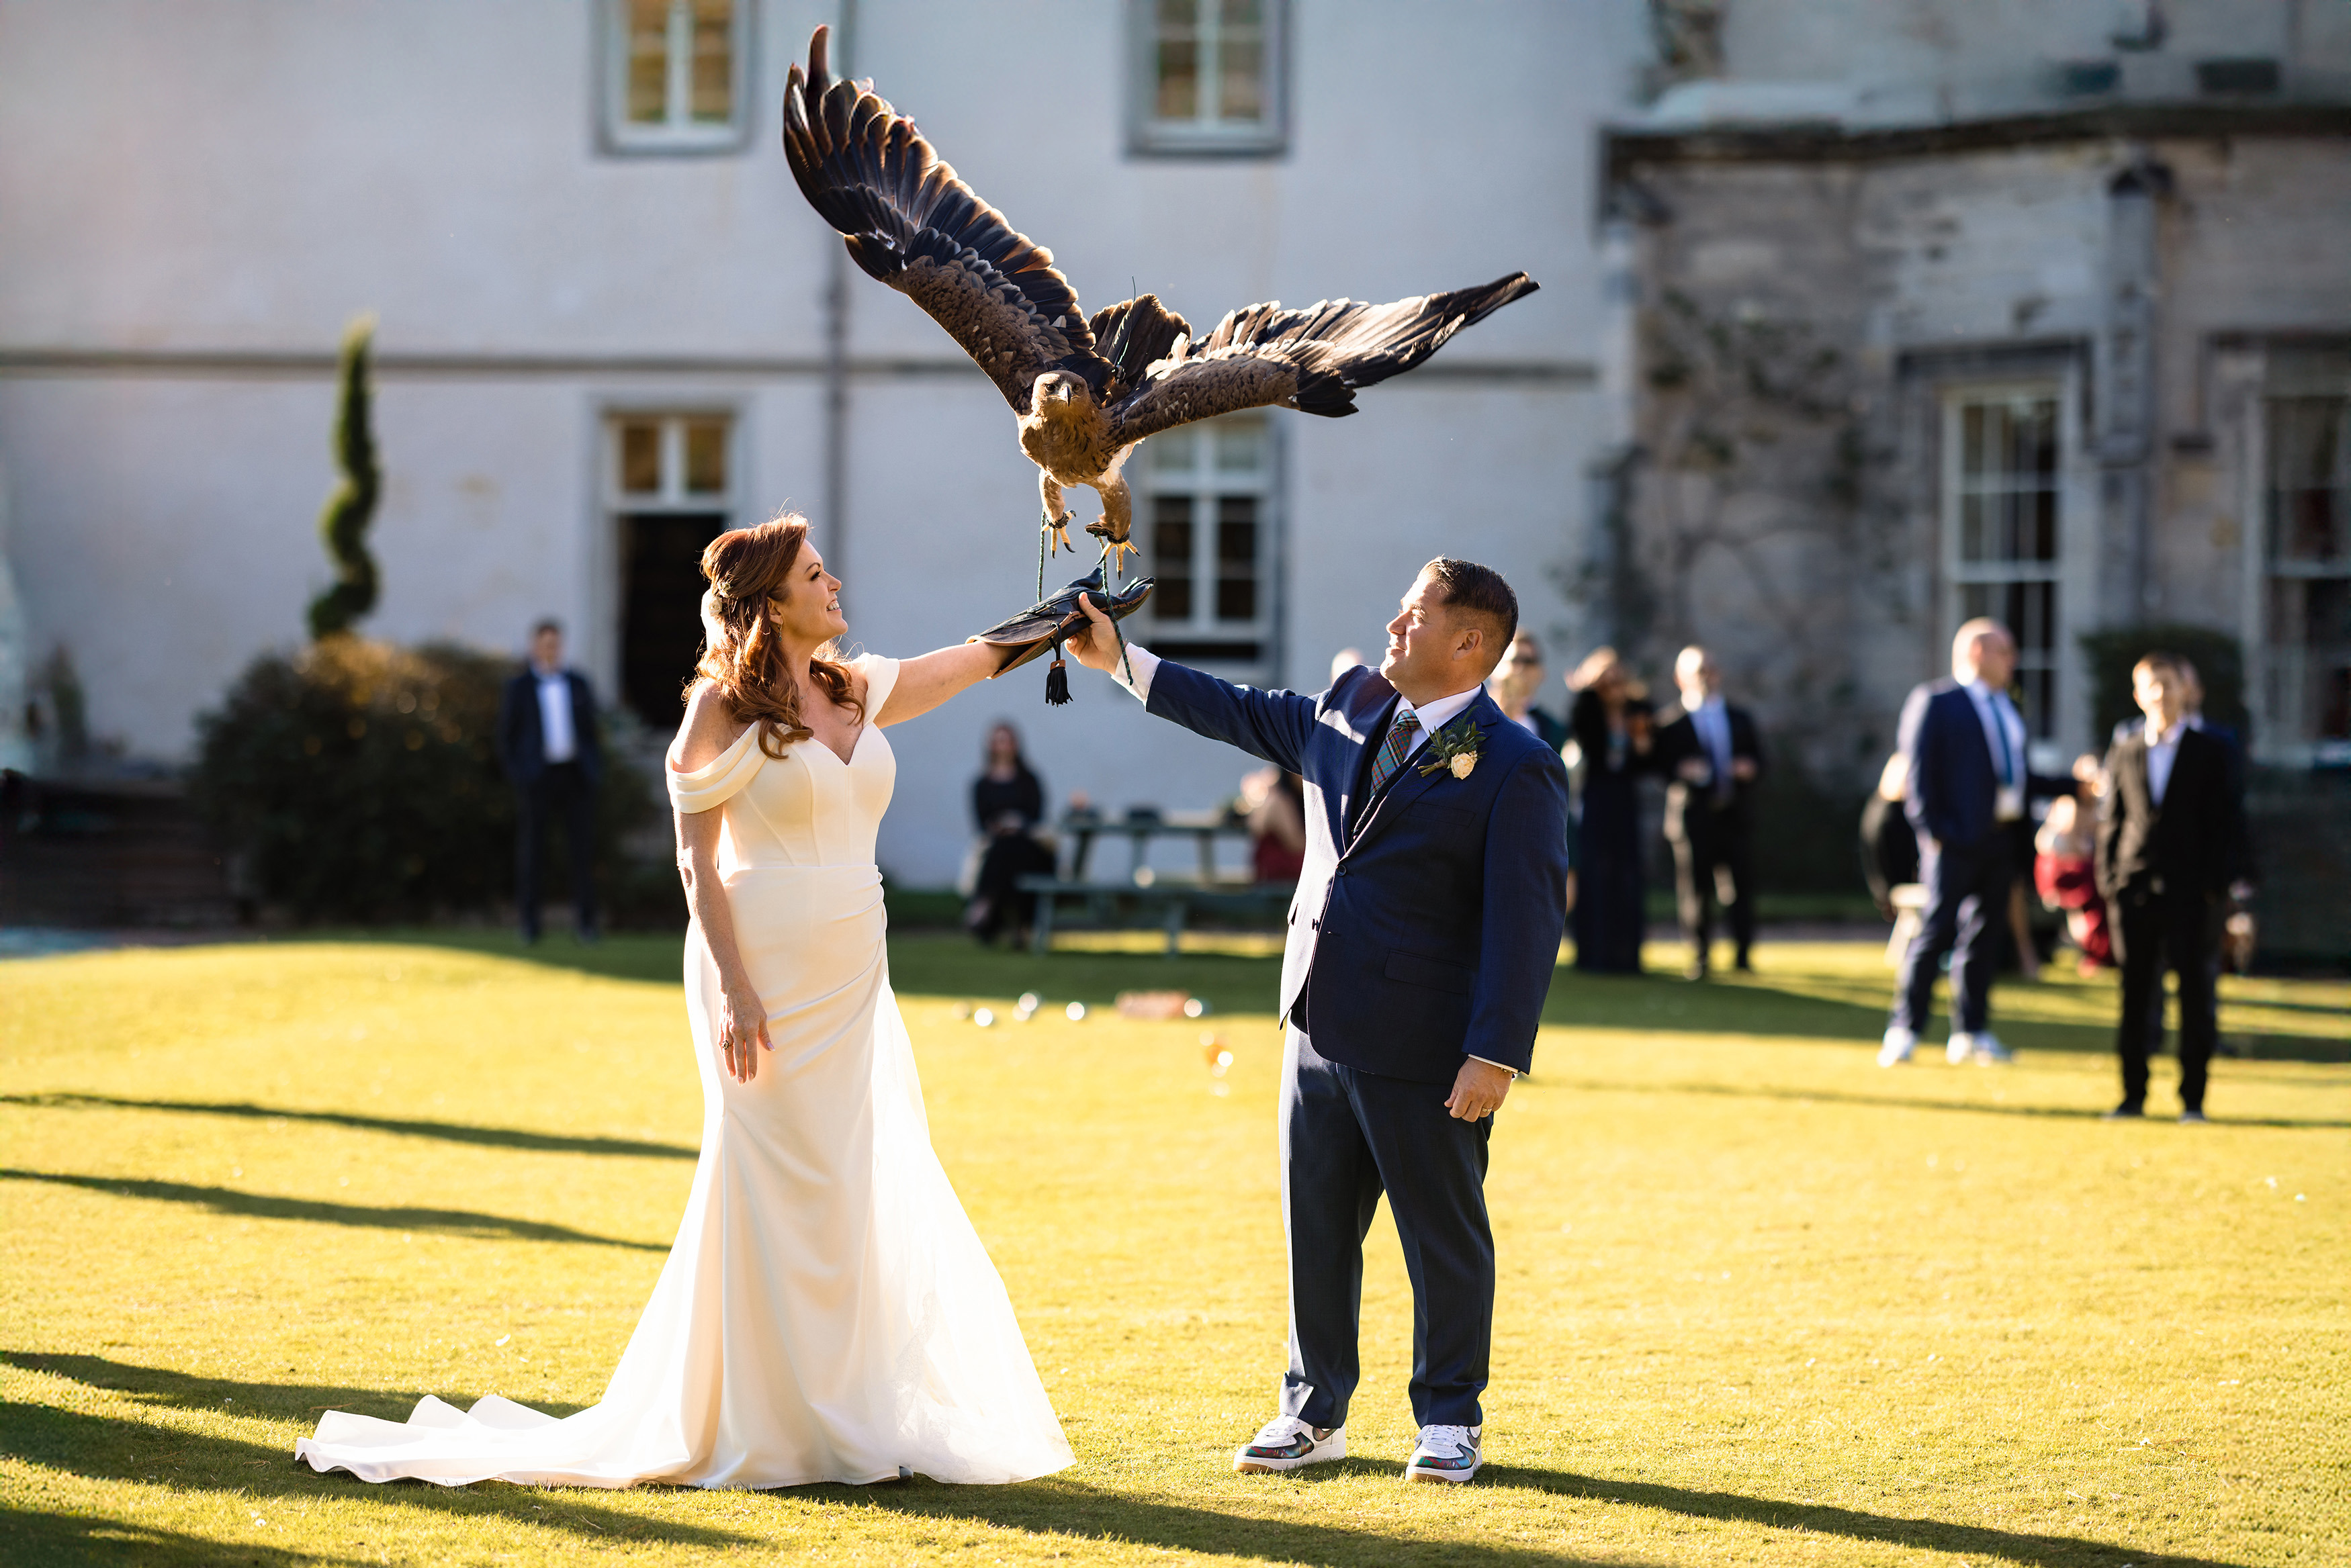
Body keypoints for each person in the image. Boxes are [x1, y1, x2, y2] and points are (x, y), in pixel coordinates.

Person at [297, 514, 1073, 1489]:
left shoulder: (852, 686)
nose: (835, 584)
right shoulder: (719, 706)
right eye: (815, 574)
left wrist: (1058, 620)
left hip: (851, 974)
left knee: (846, 1181)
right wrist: (739, 989)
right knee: (772, 1181)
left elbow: (964, 662)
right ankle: (759, 1417)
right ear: (772, 603)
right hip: (758, 972)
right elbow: (696, 861)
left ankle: (843, 1410)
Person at [1065, 557, 1569, 1487]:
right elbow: (1245, 709)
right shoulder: (1346, 704)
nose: (1392, 623)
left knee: (1442, 1231)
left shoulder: (1518, 766)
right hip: (1314, 1024)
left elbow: (1527, 922)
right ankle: (1312, 1412)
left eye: (1414, 614)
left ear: (1469, 643)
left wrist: (1494, 1050)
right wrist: (1120, 659)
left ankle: (1451, 1415)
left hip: (1426, 1043)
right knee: (1316, 1229)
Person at [1879, 618, 2060, 1068]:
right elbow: (1918, 777)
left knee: (1984, 936)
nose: (2013, 661)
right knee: (1936, 932)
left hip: (2002, 838)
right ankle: (1904, 1028)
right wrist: (1937, 833)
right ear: (1978, 653)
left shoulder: (2007, 707)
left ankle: (1971, 1031)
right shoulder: (1937, 702)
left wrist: (2070, 785)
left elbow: (2017, 777)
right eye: (2006, 651)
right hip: (1954, 842)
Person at [2096, 652, 2255, 1123]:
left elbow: (2229, 822)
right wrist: (2111, 882)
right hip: (2135, 890)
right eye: (2151, 685)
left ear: (2185, 690)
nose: (2161, 694)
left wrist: (2219, 886)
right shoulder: (2125, 750)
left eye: (2169, 684)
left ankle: (2192, 1100)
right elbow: (2113, 822)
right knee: (2135, 993)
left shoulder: (2213, 749)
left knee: (2196, 994)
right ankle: (2132, 1097)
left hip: (2194, 892)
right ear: (2138, 695)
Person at [1652, 645, 1764, 979]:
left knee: (1741, 886)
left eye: (1709, 670)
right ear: (1680, 678)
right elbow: (1658, 766)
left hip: (1733, 811)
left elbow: (1761, 760)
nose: (1705, 677)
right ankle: (1700, 957)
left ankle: (1743, 956)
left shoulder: (1739, 717)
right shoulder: (1670, 722)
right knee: (1695, 890)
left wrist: (1749, 767)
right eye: (1697, 671)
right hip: (1693, 815)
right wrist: (1680, 769)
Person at [496, 619, 604, 943]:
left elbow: (591, 732)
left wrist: (594, 769)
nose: (550, 650)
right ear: (534, 646)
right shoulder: (519, 687)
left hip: (574, 776)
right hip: (537, 778)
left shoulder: (578, 683)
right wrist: (520, 773)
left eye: (555, 644)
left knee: (582, 853)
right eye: (544, 644)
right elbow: (506, 737)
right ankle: (530, 926)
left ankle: (586, 925)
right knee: (532, 853)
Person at [1565, 647, 1653, 974]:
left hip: (1624, 797)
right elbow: (1580, 739)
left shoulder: (1637, 712)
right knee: (1594, 874)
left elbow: (1647, 761)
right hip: (1596, 796)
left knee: (1627, 874)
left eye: (1619, 682)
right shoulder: (1588, 710)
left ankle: (1627, 956)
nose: (1614, 689)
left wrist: (1643, 745)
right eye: (1607, 683)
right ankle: (1593, 954)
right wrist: (1589, 690)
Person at [965, 721, 1055, 945]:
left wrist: (1018, 823)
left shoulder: (1029, 779)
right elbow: (981, 823)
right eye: (998, 741)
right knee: (1006, 850)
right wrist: (999, 826)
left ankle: (985, 901)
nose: (1003, 746)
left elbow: (1037, 815)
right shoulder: (981, 784)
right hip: (997, 846)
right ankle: (1022, 927)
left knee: (1013, 849)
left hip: (1029, 847)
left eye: (1007, 740)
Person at [2033, 790, 2111, 974]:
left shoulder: (2095, 810)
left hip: (2082, 874)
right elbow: (2070, 850)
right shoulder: (2069, 806)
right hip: (2064, 875)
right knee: (2095, 881)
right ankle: (2097, 950)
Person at [1487, 631, 1570, 751]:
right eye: (1515, 660)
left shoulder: (1553, 730)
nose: (1521, 668)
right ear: (1495, 669)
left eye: (1528, 661)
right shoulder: (1472, 713)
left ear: (1541, 673)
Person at [1241, 766, 1308, 883]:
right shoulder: (1280, 801)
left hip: (1286, 877)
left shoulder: (1292, 797)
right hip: (1278, 879)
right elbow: (1297, 844)